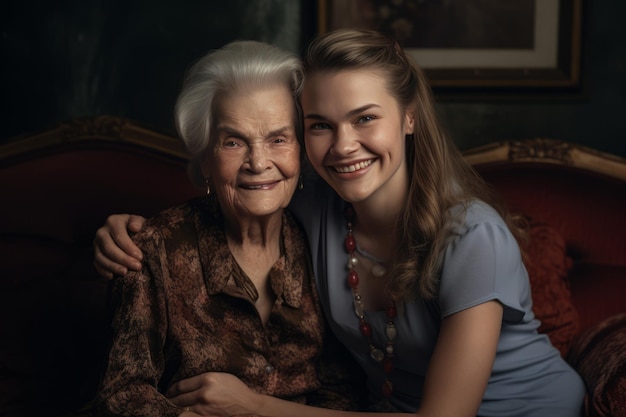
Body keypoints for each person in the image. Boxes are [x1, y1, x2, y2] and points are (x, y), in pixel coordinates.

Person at [94, 29, 585, 417]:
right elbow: (243, 187)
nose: (344, 145)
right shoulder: (315, 208)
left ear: (409, 118)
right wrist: (131, 230)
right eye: (321, 125)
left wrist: (254, 406)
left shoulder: (472, 238)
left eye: (365, 118)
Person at [93, 39, 367, 417]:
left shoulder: (319, 239)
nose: (258, 162)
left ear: (300, 152)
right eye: (233, 141)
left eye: (278, 139)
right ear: (206, 158)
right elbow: (121, 395)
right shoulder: (154, 250)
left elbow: (341, 387)